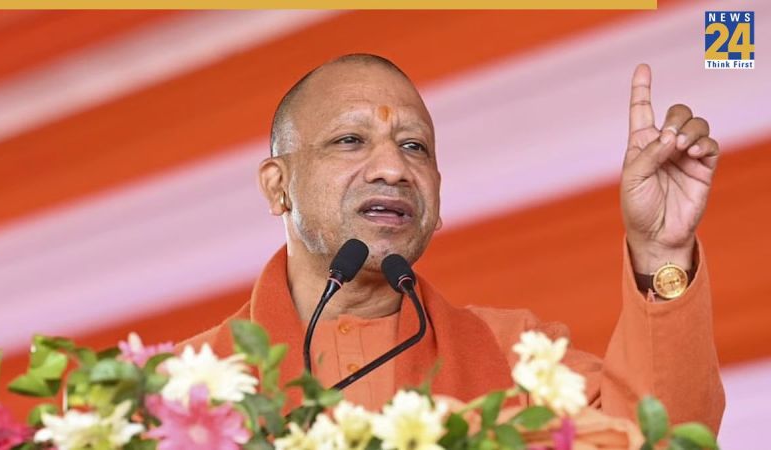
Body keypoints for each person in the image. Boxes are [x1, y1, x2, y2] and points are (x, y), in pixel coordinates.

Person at [180, 54, 724, 431]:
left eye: (415, 147)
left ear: (436, 203)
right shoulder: (180, 387)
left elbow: (658, 438)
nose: (393, 168)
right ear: (278, 187)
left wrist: (660, 251)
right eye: (350, 140)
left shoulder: (521, 360)